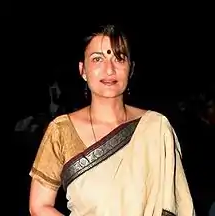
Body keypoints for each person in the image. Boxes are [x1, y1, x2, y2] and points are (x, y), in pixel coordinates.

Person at [29, 24, 195, 216]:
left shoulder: (157, 127)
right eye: (97, 59)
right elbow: (39, 206)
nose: (109, 70)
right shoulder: (61, 130)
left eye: (119, 58)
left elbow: (178, 207)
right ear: (83, 70)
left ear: (130, 69)